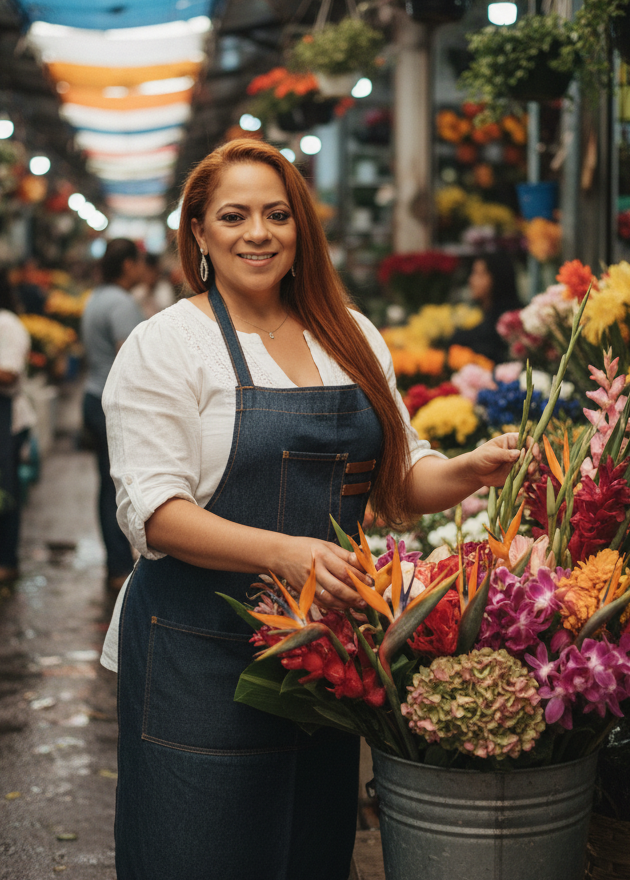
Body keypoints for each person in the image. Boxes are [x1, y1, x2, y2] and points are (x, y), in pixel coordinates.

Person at [100, 140, 532, 880]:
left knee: (310, 846)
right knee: (196, 849)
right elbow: (156, 513)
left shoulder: (349, 334)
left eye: (277, 215)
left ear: (301, 227)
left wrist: (465, 471)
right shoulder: (167, 345)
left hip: (325, 653)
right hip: (197, 650)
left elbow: (398, 478)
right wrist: (283, 552)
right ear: (198, 231)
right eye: (233, 216)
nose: (258, 233)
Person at [81, 239, 145, 593]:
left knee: (108, 487)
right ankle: (119, 566)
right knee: (119, 488)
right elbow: (130, 358)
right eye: (138, 263)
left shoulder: (97, 297)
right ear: (127, 265)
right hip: (113, 403)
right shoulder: (121, 303)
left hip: (93, 395)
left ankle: (115, 563)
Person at [0, 269, 36, 582]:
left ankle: (7, 561)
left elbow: (10, 373)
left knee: (5, 490)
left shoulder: (7, 324)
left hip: (8, 419)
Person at [449, 252, 522, 362]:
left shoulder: (507, 321)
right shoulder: (480, 312)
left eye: (479, 274)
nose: (471, 280)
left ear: (497, 278)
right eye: (473, 273)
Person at [131, 251, 176, 318]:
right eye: (145, 272)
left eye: (150, 271)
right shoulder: (138, 292)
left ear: (156, 271)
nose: (147, 276)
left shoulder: (164, 289)